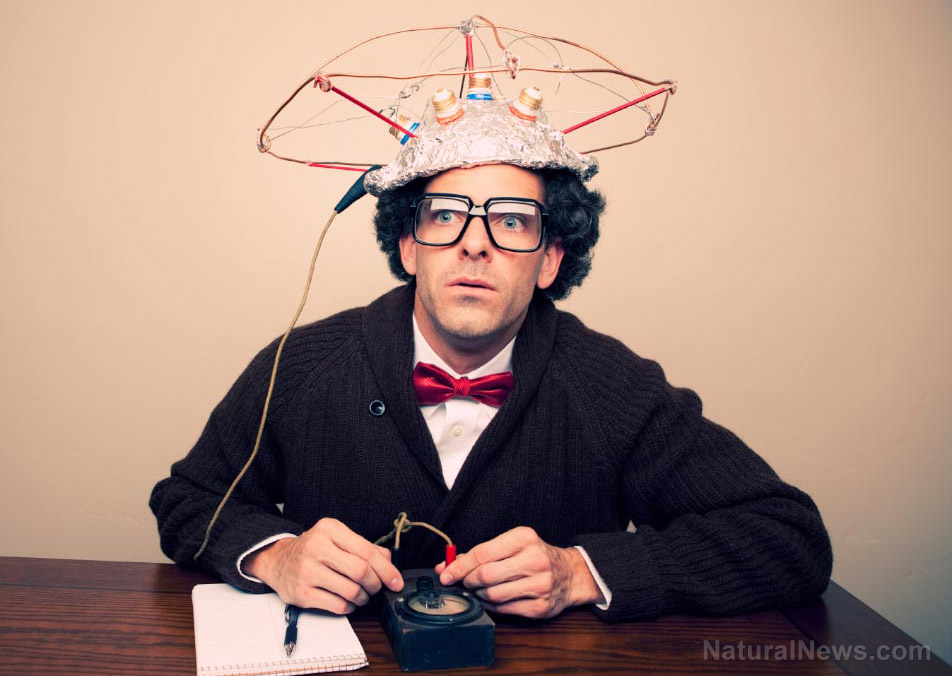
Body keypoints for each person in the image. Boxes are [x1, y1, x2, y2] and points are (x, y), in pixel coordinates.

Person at [149, 95, 833, 623]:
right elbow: (187, 499)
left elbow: (790, 538)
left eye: (511, 221)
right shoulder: (302, 365)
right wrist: (274, 555)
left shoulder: (616, 387)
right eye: (446, 215)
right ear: (409, 246)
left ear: (550, 259)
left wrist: (581, 571)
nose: (474, 244)